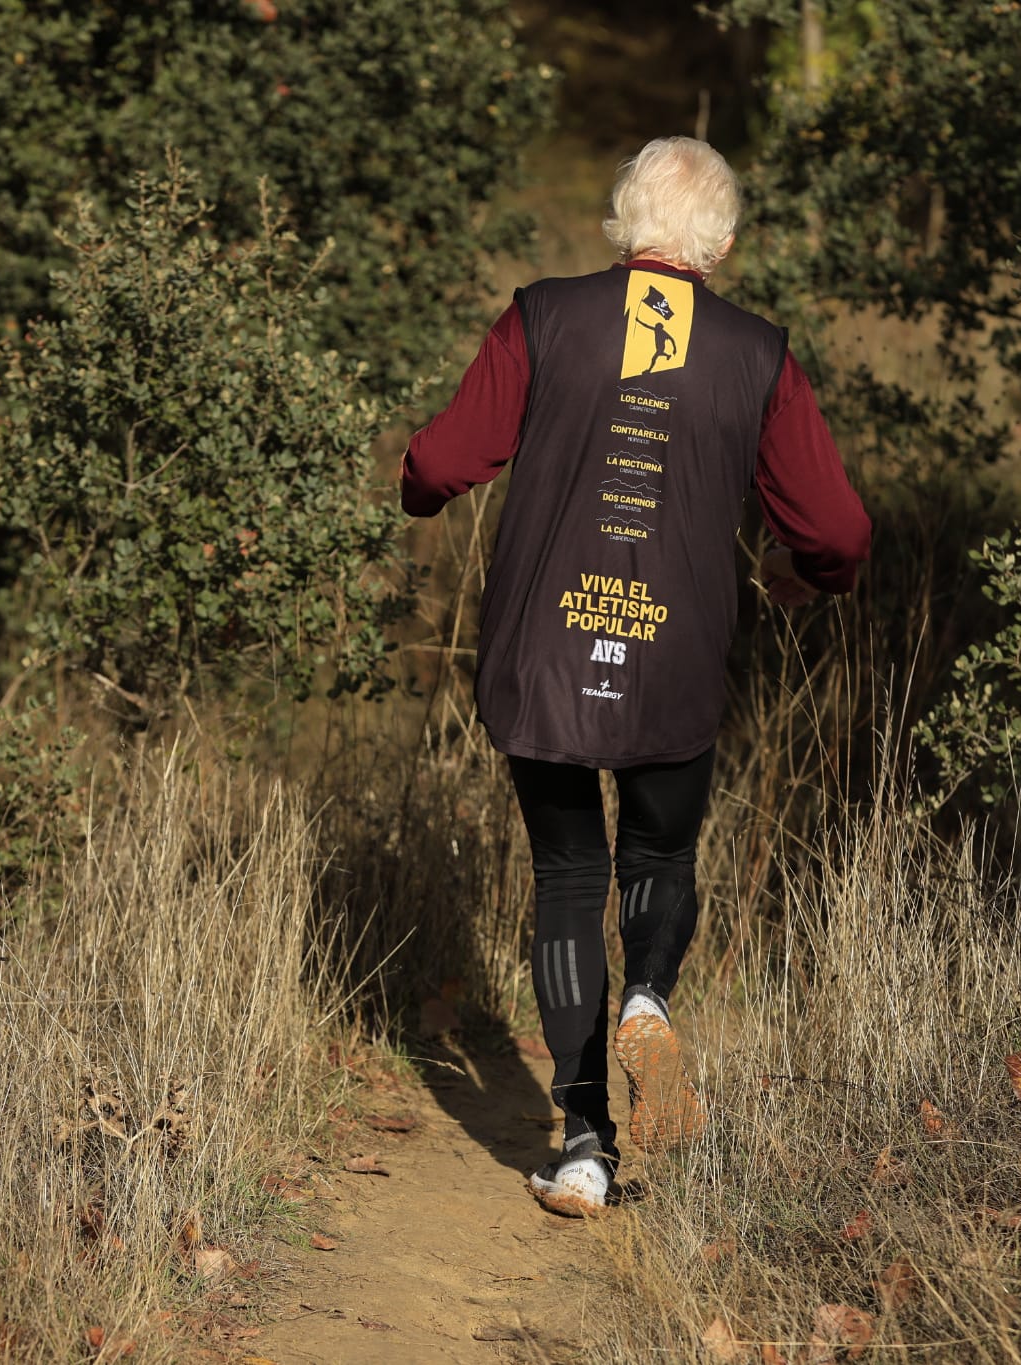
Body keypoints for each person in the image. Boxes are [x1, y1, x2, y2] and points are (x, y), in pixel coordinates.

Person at [398, 136, 872, 1217]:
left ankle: (579, 1147)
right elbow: (838, 525)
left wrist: (421, 499)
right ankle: (648, 998)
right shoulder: (755, 353)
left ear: (619, 218)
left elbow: (436, 463)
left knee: (567, 880)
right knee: (657, 848)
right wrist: (812, 579)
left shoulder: (543, 316)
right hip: (673, 666)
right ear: (724, 247)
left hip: (544, 656)